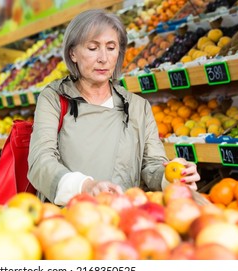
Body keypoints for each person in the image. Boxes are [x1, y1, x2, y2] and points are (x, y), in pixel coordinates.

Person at [27, 9, 200, 206]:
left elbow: (152, 165)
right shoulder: (54, 99)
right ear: (73, 53)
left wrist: (173, 177)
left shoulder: (137, 107)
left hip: (122, 219)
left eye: (111, 47)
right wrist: (85, 187)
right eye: (92, 48)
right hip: (69, 220)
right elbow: (40, 162)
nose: (103, 58)